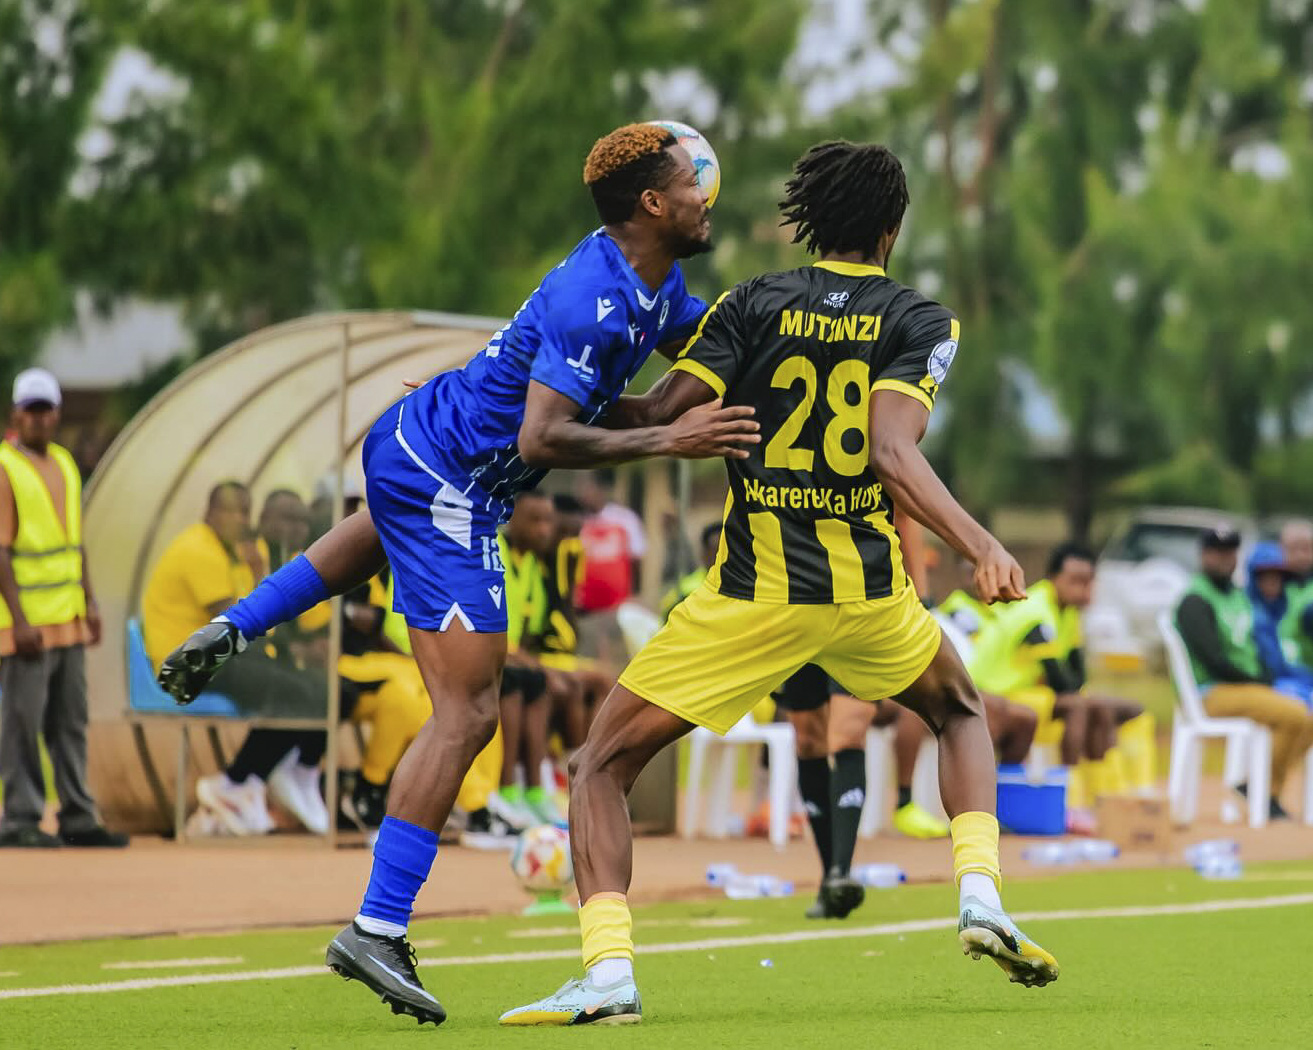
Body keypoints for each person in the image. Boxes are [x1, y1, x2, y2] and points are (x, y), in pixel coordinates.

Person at [157, 121, 759, 1026]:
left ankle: (236, 625)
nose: (705, 194)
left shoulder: (653, 282)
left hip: (422, 447)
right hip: (450, 481)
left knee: (377, 536)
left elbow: (680, 367)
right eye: (691, 181)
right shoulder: (593, 297)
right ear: (649, 202)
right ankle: (375, 926)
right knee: (470, 713)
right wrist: (667, 442)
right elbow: (543, 438)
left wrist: (761, 344)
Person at [500, 140, 1060, 1027]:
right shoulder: (921, 320)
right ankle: (980, 897)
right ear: (890, 228)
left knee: (599, 764)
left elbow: (653, 412)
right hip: (868, 596)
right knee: (958, 711)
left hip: (752, 596)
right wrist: (980, 543)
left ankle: (607, 973)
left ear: (808, 221)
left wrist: (508, 389)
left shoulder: (751, 303)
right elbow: (890, 450)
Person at [143, 485, 335, 834]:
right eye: (232, 511)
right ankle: (240, 780)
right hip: (187, 665)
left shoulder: (231, 553)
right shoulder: (199, 549)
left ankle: (248, 781)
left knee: (315, 688)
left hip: (212, 658)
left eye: (246, 512)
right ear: (210, 512)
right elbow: (231, 624)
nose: (242, 521)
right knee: (289, 689)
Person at [0, 368, 126, 849]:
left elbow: (76, 541)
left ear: (57, 414)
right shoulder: (6, 468)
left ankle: (77, 814)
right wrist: (19, 621)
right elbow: (1, 550)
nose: (39, 418)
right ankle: (20, 818)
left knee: (70, 721)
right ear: (16, 415)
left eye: (46, 409)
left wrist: (89, 602)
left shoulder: (65, 463)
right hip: (27, 625)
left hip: (67, 618)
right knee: (22, 724)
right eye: (30, 410)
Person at [969, 542, 1153, 834]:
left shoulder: (1068, 613)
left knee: (1099, 709)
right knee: (1079, 706)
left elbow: (1077, 677)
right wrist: (1081, 694)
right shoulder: (1035, 612)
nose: (1084, 589)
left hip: (1029, 696)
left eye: (1089, 581)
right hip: (992, 694)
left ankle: (1111, 798)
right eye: (1075, 580)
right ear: (1054, 578)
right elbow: (1061, 682)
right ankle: (1070, 800)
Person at [1175, 528, 1313, 820]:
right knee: (1295, 714)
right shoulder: (1195, 600)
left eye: (1231, 552)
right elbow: (1214, 661)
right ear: (1204, 555)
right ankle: (1263, 791)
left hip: (1246, 689)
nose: (1225, 559)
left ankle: (1262, 788)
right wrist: (1260, 681)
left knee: (1308, 715)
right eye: (1218, 552)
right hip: (1212, 692)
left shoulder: (1237, 598)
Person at [1246, 542, 1313, 705]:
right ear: (1254, 579)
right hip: (1266, 685)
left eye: (1277, 576)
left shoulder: (1285, 608)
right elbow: (1272, 667)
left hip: (1294, 678)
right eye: (1265, 576)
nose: (1272, 582)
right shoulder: (1252, 614)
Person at [575, 468, 647, 610]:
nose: (582, 492)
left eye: (587, 486)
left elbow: (636, 559)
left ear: (601, 489)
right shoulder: (576, 520)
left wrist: (636, 593)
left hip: (618, 605)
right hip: (583, 606)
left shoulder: (624, 518)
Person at [658, 522, 722, 621]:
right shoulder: (684, 591)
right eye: (715, 551)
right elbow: (666, 619)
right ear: (704, 554)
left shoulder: (743, 587)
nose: (720, 557)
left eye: (724, 551)